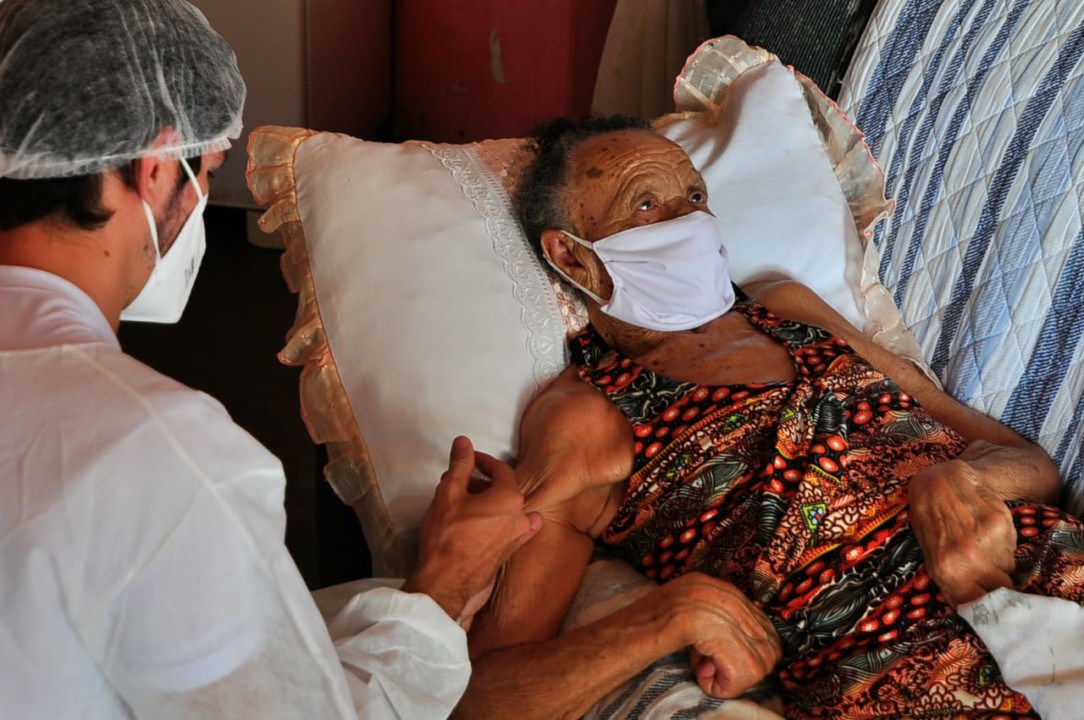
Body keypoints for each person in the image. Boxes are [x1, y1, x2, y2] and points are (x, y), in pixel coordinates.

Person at [0, 1, 540, 718]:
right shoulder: (159, 456)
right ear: (153, 170)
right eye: (208, 171)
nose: (201, 201)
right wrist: (444, 588)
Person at [458, 116, 1084, 719]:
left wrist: (966, 483)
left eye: (694, 197)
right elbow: (484, 700)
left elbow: (1033, 466)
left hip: (1059, 576)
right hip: (917, 680)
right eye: (646, 205)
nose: (690, 221)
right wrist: (672, 616)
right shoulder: (589, 414)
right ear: (571, 258)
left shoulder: (786, 308)